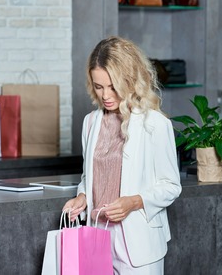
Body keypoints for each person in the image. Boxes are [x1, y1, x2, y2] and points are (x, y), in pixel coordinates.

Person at [63, 36, 182, 274]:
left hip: (139, 245)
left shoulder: (155, 124)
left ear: (129, 80)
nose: (106, 95)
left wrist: (134, 201)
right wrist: (82, 196)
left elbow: (171, 186)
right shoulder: (90, 123)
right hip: (97, 238)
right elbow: (90, 176)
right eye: (99, 87)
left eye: (113, 86)